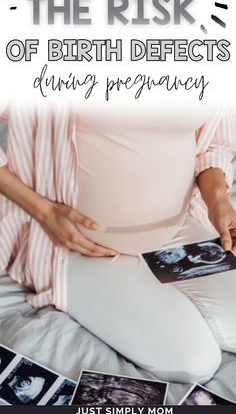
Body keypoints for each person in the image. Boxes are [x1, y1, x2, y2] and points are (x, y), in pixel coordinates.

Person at [0, 102, 236, 385]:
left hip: (177, 230)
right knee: (195, 363)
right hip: (72, 244)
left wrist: (218, 201)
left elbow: (213, 145)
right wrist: (43, 211)